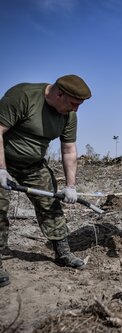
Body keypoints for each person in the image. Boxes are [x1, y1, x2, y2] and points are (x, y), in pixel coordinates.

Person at [0, 74, 92, 288]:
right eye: (73, 104)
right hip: (4, 158)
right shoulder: (22, 96)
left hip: (33, 164)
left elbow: (68, 149)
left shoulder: (68, 115)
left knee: (50, 205)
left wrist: (71, 186)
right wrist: (1, 169)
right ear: (59, 93)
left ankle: (63, 253)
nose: (76, 110)